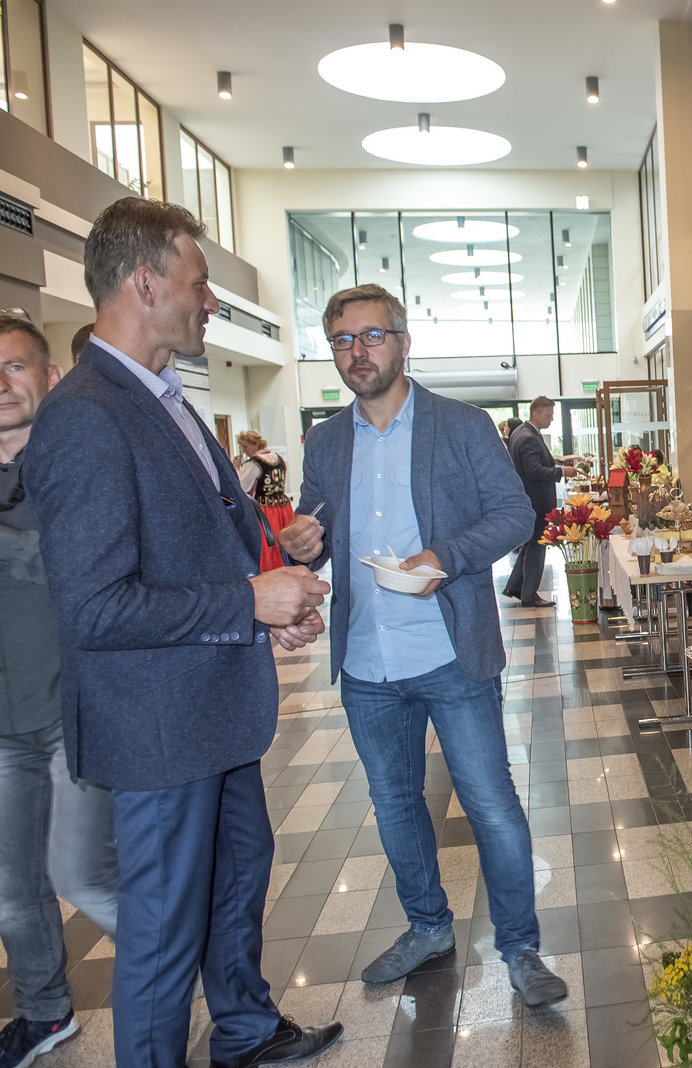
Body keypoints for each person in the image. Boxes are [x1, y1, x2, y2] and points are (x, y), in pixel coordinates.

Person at [26, 197, 339, 1068]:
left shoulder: (162, 398)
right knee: (163, 941)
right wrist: (247, 602)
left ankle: (244, 1030)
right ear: (144, 283)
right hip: (160, 732)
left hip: (214, 714)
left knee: (237, 885)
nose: (210, 302)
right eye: (199, 284)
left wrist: (265, 610)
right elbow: (94, 608)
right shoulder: (87, 413)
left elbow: (194, 550)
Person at [277, 284, 567, 1007]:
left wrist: (445, 556)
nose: (358, 351)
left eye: (372, 335)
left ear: (404, 343)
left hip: (451, 653)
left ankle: (521, 947)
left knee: (491, 803)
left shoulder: (462, 425)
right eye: (343, 340)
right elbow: (318, 528)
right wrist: (303, 543)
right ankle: (428, 926)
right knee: (395, 804)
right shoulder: (325, 441)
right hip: (366, 661)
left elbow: (514, 515)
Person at [0, 314, 119, 1068]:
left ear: (50, 377)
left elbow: (78, 565)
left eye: (13, 367)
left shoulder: (75, 459)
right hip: (0, 719)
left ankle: (213, 980)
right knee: (12, 890)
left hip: (78, 711)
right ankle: (44, 1013)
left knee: (83, 875)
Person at [502, 397, 576, 606]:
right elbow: (534, 470)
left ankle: (516, 586)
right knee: (537, 546)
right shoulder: (529, 437)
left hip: (529, 499)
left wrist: (556, 462)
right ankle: (529, 595)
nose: (551, 419)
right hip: (536, 500)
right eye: (548, 415)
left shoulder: (521, 432)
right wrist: (562, 471)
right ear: (535, 413)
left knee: (529, 545)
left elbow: (533, 463)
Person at [235, 431, 294, 572]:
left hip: (266, 510)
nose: (244, 451)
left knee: (269, 545)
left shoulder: (254, 463)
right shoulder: (278, 458)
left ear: (255, 445)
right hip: (283, 507)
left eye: (245, 446)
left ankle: (271, 571)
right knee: (285, 542)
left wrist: (236, 468)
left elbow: (242, 486)